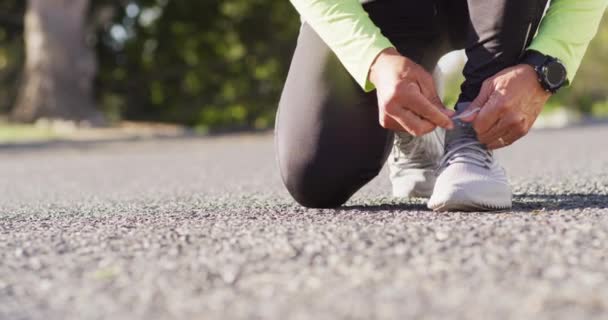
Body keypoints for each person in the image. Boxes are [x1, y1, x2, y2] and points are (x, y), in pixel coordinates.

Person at [275, 0, 607, 211]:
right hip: (377, 11)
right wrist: (372, 59)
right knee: (315, 175)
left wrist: (544, 66)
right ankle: (416, 117)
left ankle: (469, 139)